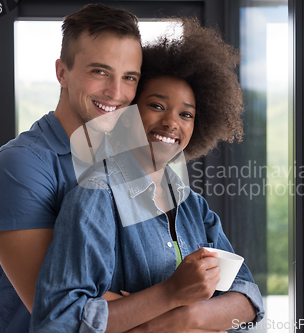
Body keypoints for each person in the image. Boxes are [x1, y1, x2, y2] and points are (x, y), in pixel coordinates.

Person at [30, 19, 264, 333]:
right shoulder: (96, 198)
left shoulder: (194, 208)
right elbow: (58, 319)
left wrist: (182, 318)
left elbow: (248, 299)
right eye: (156, 105)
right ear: (125, 114)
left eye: (186, 114)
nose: (171, 123)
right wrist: (171, 294)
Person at [0, 4, 142, 332]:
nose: (116, 92)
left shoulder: (127, 162)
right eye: (100, 71)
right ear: (62, 72)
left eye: (129, 77)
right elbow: (58, 308)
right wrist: (176, 303)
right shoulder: (18, 168)